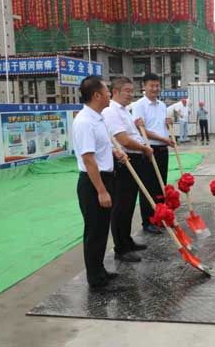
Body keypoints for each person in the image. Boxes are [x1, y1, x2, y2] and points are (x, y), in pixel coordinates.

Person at [72, 75, 127, 289]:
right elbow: (88, 159)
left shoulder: (98, 118)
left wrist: (114, 153)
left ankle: (100, 271)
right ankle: (95, 280)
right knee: (94, 231)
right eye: (106, 91)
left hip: (104, 177)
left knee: (102, 229)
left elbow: (99, 149)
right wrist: (102, 191)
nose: (109, 95)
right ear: (96, 95)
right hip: (93, 183)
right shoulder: (84, 121)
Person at [102, 77, 152, 263]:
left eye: (132, 91)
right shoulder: (111, 111)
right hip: (123, 163)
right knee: (121, 206)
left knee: (130, 204)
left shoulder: (125, 111)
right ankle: (120, 248)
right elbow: (123, 140)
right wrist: (144, 148)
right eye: (127, 91)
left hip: (134, 160)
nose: (131, 94)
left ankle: (127, 239)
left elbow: (131, 134)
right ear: (115, 91)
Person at [131, 73, 175, 234]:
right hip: (149, 149)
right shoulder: (139, 105)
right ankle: (148, 221)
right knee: (149, 186)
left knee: (161, 185)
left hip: (163, 149)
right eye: (152, 85)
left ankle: (160, 217)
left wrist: (168, 126)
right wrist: (162, 138)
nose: (155, 89)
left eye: (157, 86)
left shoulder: (162, 105)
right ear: (144, 86)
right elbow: (141, 129)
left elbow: (161, 126)